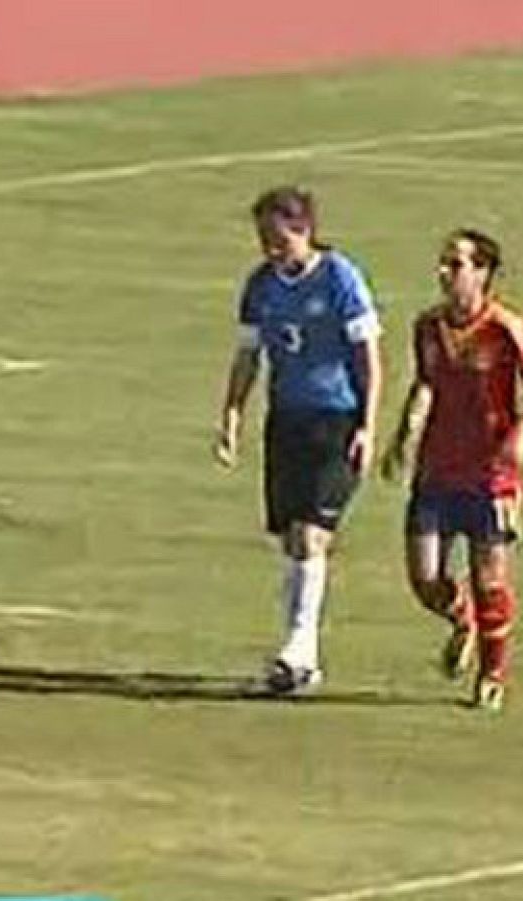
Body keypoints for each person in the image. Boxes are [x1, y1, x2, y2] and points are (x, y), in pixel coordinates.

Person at [214, 185, 382, 695]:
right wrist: (232, 414)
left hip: (335, 420)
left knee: (312, 533)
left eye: (276, 237)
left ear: (303, 230)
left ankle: (299, 644)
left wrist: (368, 426)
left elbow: (369, 358)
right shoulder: (261, 286)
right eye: (262, 238)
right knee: (291, 536)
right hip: (286, 420)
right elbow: (248, 356)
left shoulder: (339, 278)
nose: (268, 248)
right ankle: (300, 660)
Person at [380, 229, 523, 711]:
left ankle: (492, 674)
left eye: (456, 264)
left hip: (489, 475)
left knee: (489, 577)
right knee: (425, 578)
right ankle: (462, 620)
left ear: (482, 273)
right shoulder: (428, 327)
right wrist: (402, 436)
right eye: (444, 263)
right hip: (436, 470)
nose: (445, 272)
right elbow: (427, 384)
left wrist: (521, 434)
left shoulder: (505, 328)